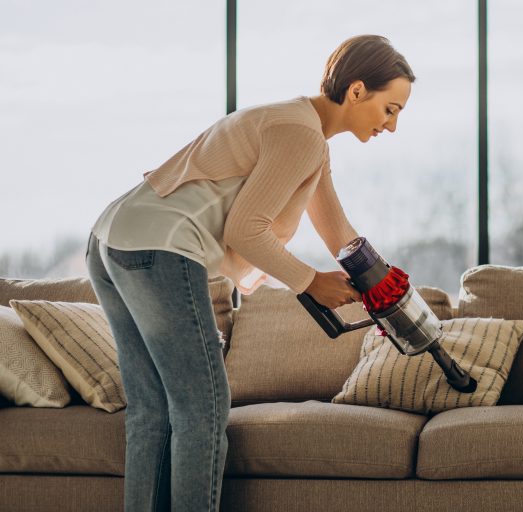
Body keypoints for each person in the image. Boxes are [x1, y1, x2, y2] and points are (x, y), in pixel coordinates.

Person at [85, 34, 414, 512]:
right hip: (160, 246)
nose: (393, 125)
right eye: (390, 109)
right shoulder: (300, 134)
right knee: (203, 406)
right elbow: (245, 229)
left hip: (113, 239)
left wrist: (381, 284)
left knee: (152, 409)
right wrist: (310, 282)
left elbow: (336, 228)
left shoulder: (301, 130)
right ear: (357, 90)